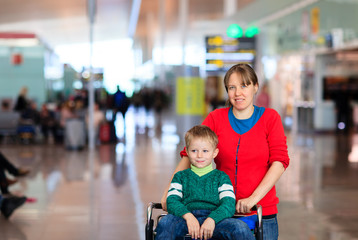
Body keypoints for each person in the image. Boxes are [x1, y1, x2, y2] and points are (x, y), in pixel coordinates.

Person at [161, 63, 290, 240]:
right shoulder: (216, 118)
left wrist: (253, 199)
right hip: (221, 212)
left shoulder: (270, 118)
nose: (238, 93)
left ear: (255, 87)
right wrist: (169, 190)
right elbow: (189, 152)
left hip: (262, 212)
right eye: (232, 87)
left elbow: (279, 161)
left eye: (244, 86)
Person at [156, 125, 254, 240]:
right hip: (185, 218)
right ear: (187, 151)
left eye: (205, 151)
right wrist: (188, 216)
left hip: (216, 219)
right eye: (194, 150)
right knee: (166, 223)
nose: (200, 155)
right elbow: (172, 201)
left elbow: (228, 204)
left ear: (214, 153)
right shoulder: (180, 177)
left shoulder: (221, 177)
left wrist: (212, 219)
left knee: (240, 228)